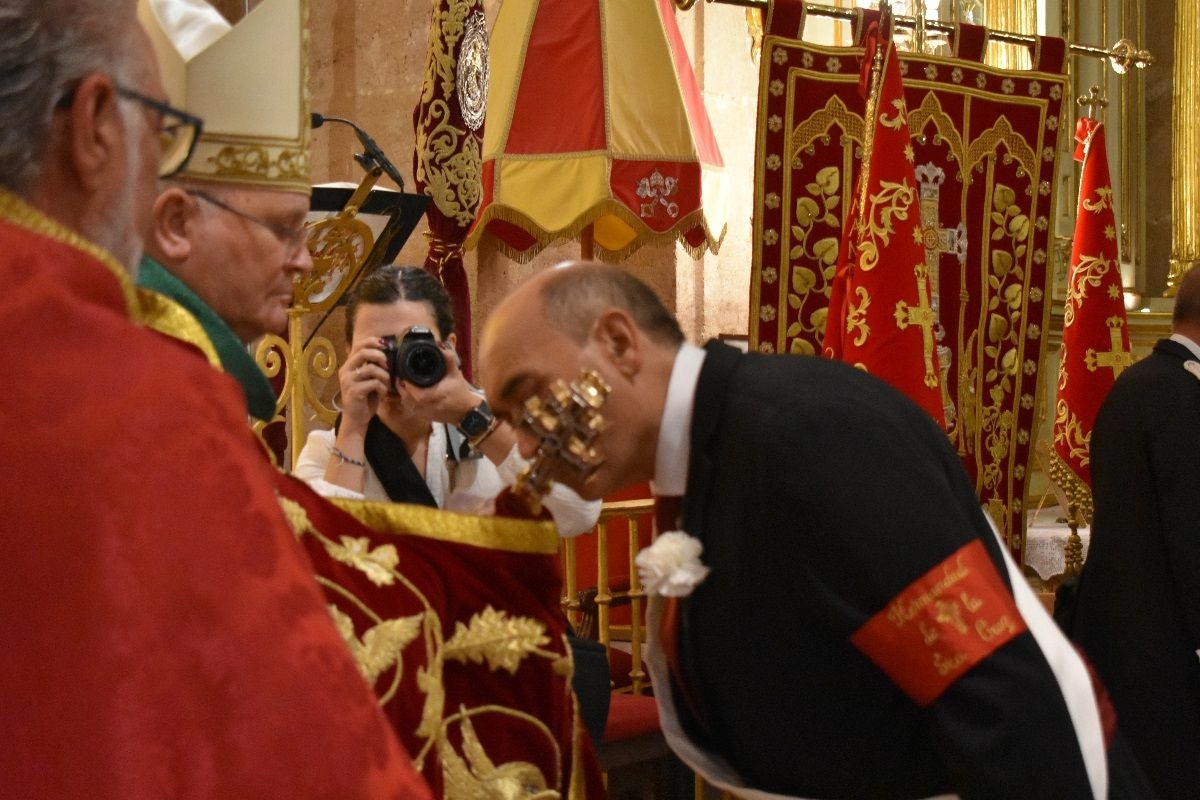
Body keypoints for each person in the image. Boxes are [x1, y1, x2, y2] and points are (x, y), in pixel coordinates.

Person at [479, 261, 1156, 799]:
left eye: (527, 395)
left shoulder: (803, 436)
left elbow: (1000, 692)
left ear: (620, 343)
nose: (526, 444)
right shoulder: (706, 456)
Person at [0, 2, 431, 797]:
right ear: (95, 124)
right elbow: (303, 746)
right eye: (158, 126)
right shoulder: (130, 395)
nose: (304, 263)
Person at [295, 263, 601, 537]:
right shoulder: (326, 449)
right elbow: (321, 555)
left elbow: (579, 511)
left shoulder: (496, 420)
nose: (400, 361)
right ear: (350, 354)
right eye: (382, 347)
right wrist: (353, 428)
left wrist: (470, 414)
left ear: (449, 347)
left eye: (414, 345)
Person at [1061, 266, 1200, 800]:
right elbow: (1190, 538)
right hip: (1169, 660)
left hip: (1119, 641)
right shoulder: (1183, 400)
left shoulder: (1135, 387)